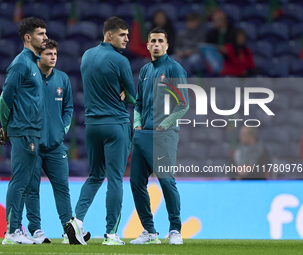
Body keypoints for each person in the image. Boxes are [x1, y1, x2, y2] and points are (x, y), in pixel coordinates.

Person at [64, 16, 136, 246]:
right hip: (116, 124)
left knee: (95, 176)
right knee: (115, 179)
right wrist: (125, 92)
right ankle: (111, 234)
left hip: (92, 125)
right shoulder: (120, 60)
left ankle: (75, 223)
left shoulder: (86, 55)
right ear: (109, 35)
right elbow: (134, 96)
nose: (127, 39)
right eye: (123, 35)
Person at [17, 39, 91, 244]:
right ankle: (36, 230)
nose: (53, 57)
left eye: (55, 54)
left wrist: (61, 130)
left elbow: (68, 109)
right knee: (32, 188)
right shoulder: (29, 77)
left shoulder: (63, 79)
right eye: (49, 54)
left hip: (56, 145)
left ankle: (69, 230)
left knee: (62, 188)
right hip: (33, 144)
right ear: (39, 56)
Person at [130, 27, 189, 245]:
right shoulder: (145, 70)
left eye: (160, 41)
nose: (156, 44)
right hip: (142, 134)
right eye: (152, 40)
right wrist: (136, 125)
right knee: (136, 183)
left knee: (166, 182)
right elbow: (138, 103)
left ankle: (175, 230)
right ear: (147, 45)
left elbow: (183, 105)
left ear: (166, 45)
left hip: (164, 135)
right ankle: (149, 231)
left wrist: (163, 126)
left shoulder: (174, 69)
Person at [0, 17, 48, 245]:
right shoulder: (21, 63)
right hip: (23, 131)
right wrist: (6, 128)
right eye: (41, 33)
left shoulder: (33, 64)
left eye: (45, 33)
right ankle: (11, 231)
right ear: (28, 37)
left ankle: (17, 229)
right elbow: (4, 98)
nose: (45, 37)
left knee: (28, 183)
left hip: (32, 131)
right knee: (19, 181)